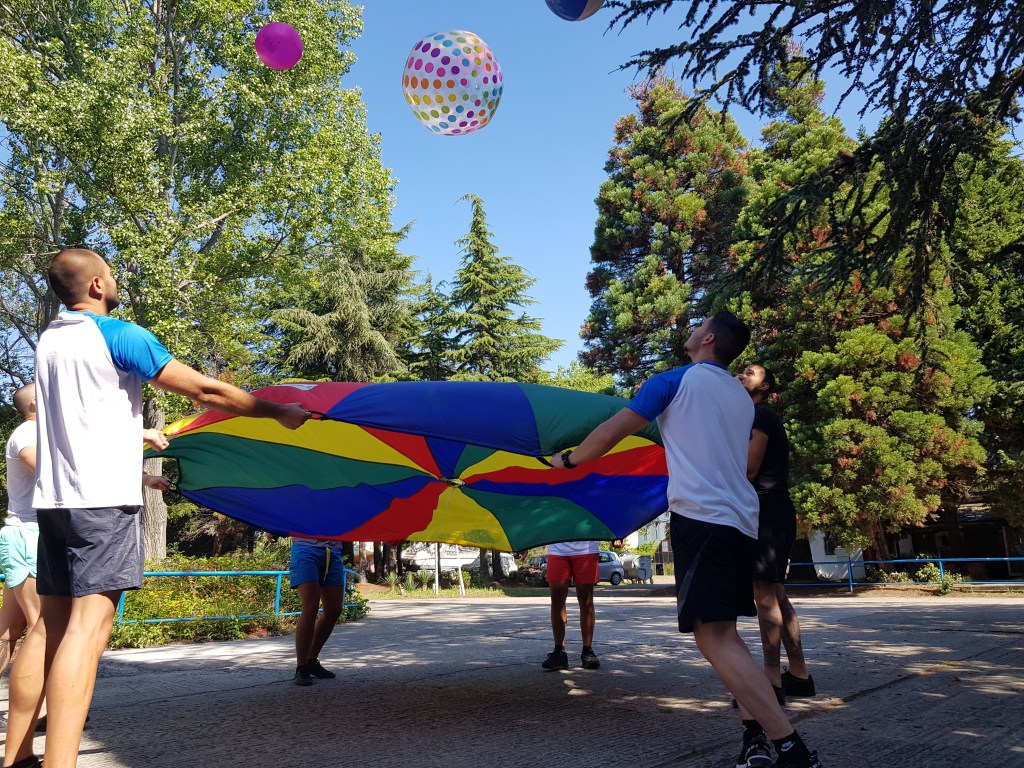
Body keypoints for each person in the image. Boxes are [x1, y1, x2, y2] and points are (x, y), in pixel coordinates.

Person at [3, 248, 311, 768]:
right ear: (97, 285)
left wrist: (138, 435)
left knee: (48, 629)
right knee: (86, 632)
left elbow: (89, 418)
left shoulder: (51, 339)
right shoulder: (119, 334)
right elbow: (204, 389)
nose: (115, 281)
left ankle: (17, 758)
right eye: (111, 274)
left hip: (54, 503)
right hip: (101, 503)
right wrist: (279, 411)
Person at [551, 312, 822, 768]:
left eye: (698, 325)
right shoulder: (740, 399)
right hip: (742, 521)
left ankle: (791, 749)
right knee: (725, 636)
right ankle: (754, 738)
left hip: (702, 519)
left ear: (708, 337)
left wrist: (568, 460)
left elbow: (612, 432)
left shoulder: (674, 381)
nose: (692, 330)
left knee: (713, 639)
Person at [737, 364, 815, 704]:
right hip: (774, 511)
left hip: (766, 513)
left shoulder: (759, 415)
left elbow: (749, 469)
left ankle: (770, 681)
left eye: (749, 372)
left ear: (765, 385)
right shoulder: (758, 416)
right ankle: (799, 675)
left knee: (764, 595)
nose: (741, 374)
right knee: (777, 594)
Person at [289, 537, 346, 686]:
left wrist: (386, 537)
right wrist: (273, 531)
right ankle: (301, 667)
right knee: (310, 606)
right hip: (305, 549)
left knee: (334, 609)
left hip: (333, 551)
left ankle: (311, 660)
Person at [541, 540, 600, 670]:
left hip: (586, 548)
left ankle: (587, 651)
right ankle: (559, 652)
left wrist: (616, 537)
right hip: (557, 547)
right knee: (557, 598)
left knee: (586, 598)